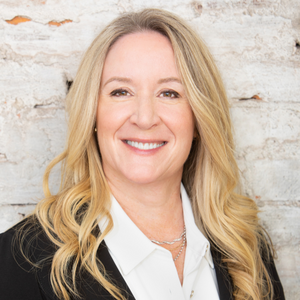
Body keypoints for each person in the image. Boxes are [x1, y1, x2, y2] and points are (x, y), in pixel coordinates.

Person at [0, 8, 285, 300]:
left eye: (169, 93)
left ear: (199, 119)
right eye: (121, 92)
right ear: (93, 115)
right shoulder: (20, 261)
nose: (145, 118)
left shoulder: (247, 248)